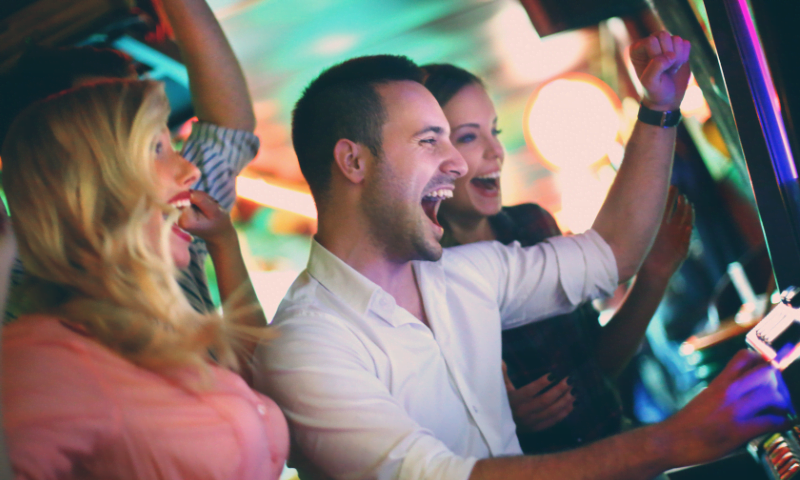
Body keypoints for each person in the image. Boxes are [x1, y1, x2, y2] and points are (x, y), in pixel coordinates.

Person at [254, 31, 791, 480]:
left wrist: (659, 109)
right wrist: (674, 439)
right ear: (353, 160)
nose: (458, 164)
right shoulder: (304, 345)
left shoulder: (463, 275)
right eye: (429, 141)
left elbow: (611, 254)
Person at [0, 79, 289, 479]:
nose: (190, 171)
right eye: (156, 149)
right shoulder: (49, 356)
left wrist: (225, 243)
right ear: (91, 186)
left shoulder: (168, 327)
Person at [421, 63, 694, 452]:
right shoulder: (423, 283)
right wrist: (496, 421)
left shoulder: (533, 224)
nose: (496, 150)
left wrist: (654, 276)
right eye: (468, 136)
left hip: (623, 449)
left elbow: (598, 366)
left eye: (494, 131)